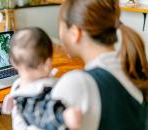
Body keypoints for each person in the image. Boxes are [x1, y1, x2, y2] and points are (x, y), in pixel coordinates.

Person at [11, 0, 148, 130]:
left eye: (60, 26)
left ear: (75, 33)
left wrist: (18, 99)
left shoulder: (78, 83)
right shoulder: (130, 68)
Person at [2, 27, 82, 130]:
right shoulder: (33, 96)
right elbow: (43, 118)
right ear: (47, 64)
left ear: (13, 62)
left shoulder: (17, 85)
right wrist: (64, 117)